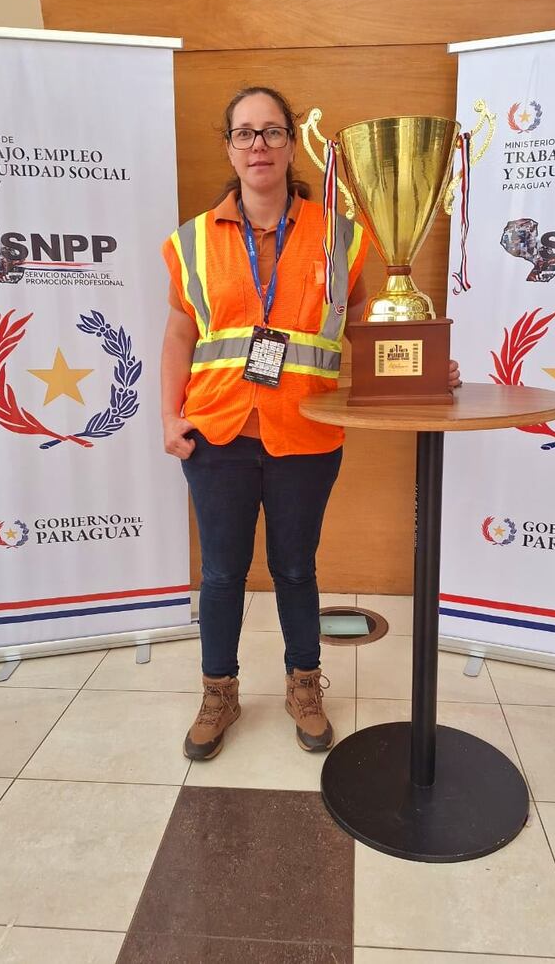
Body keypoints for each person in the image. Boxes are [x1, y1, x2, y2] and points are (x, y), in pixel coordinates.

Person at [161, 86, 461, 761]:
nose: (259, 145)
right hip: (215, 434)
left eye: (272, 131)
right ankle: (218, 692)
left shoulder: (340, 236)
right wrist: (168, 417)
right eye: (245, 133)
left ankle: (303, 685)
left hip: (306, 433)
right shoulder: (192, 241)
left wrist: (418, 370)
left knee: (295, 568)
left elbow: (362, 330)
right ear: (229, 148)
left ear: (292, 144)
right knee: (222, 574)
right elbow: (180, 332)